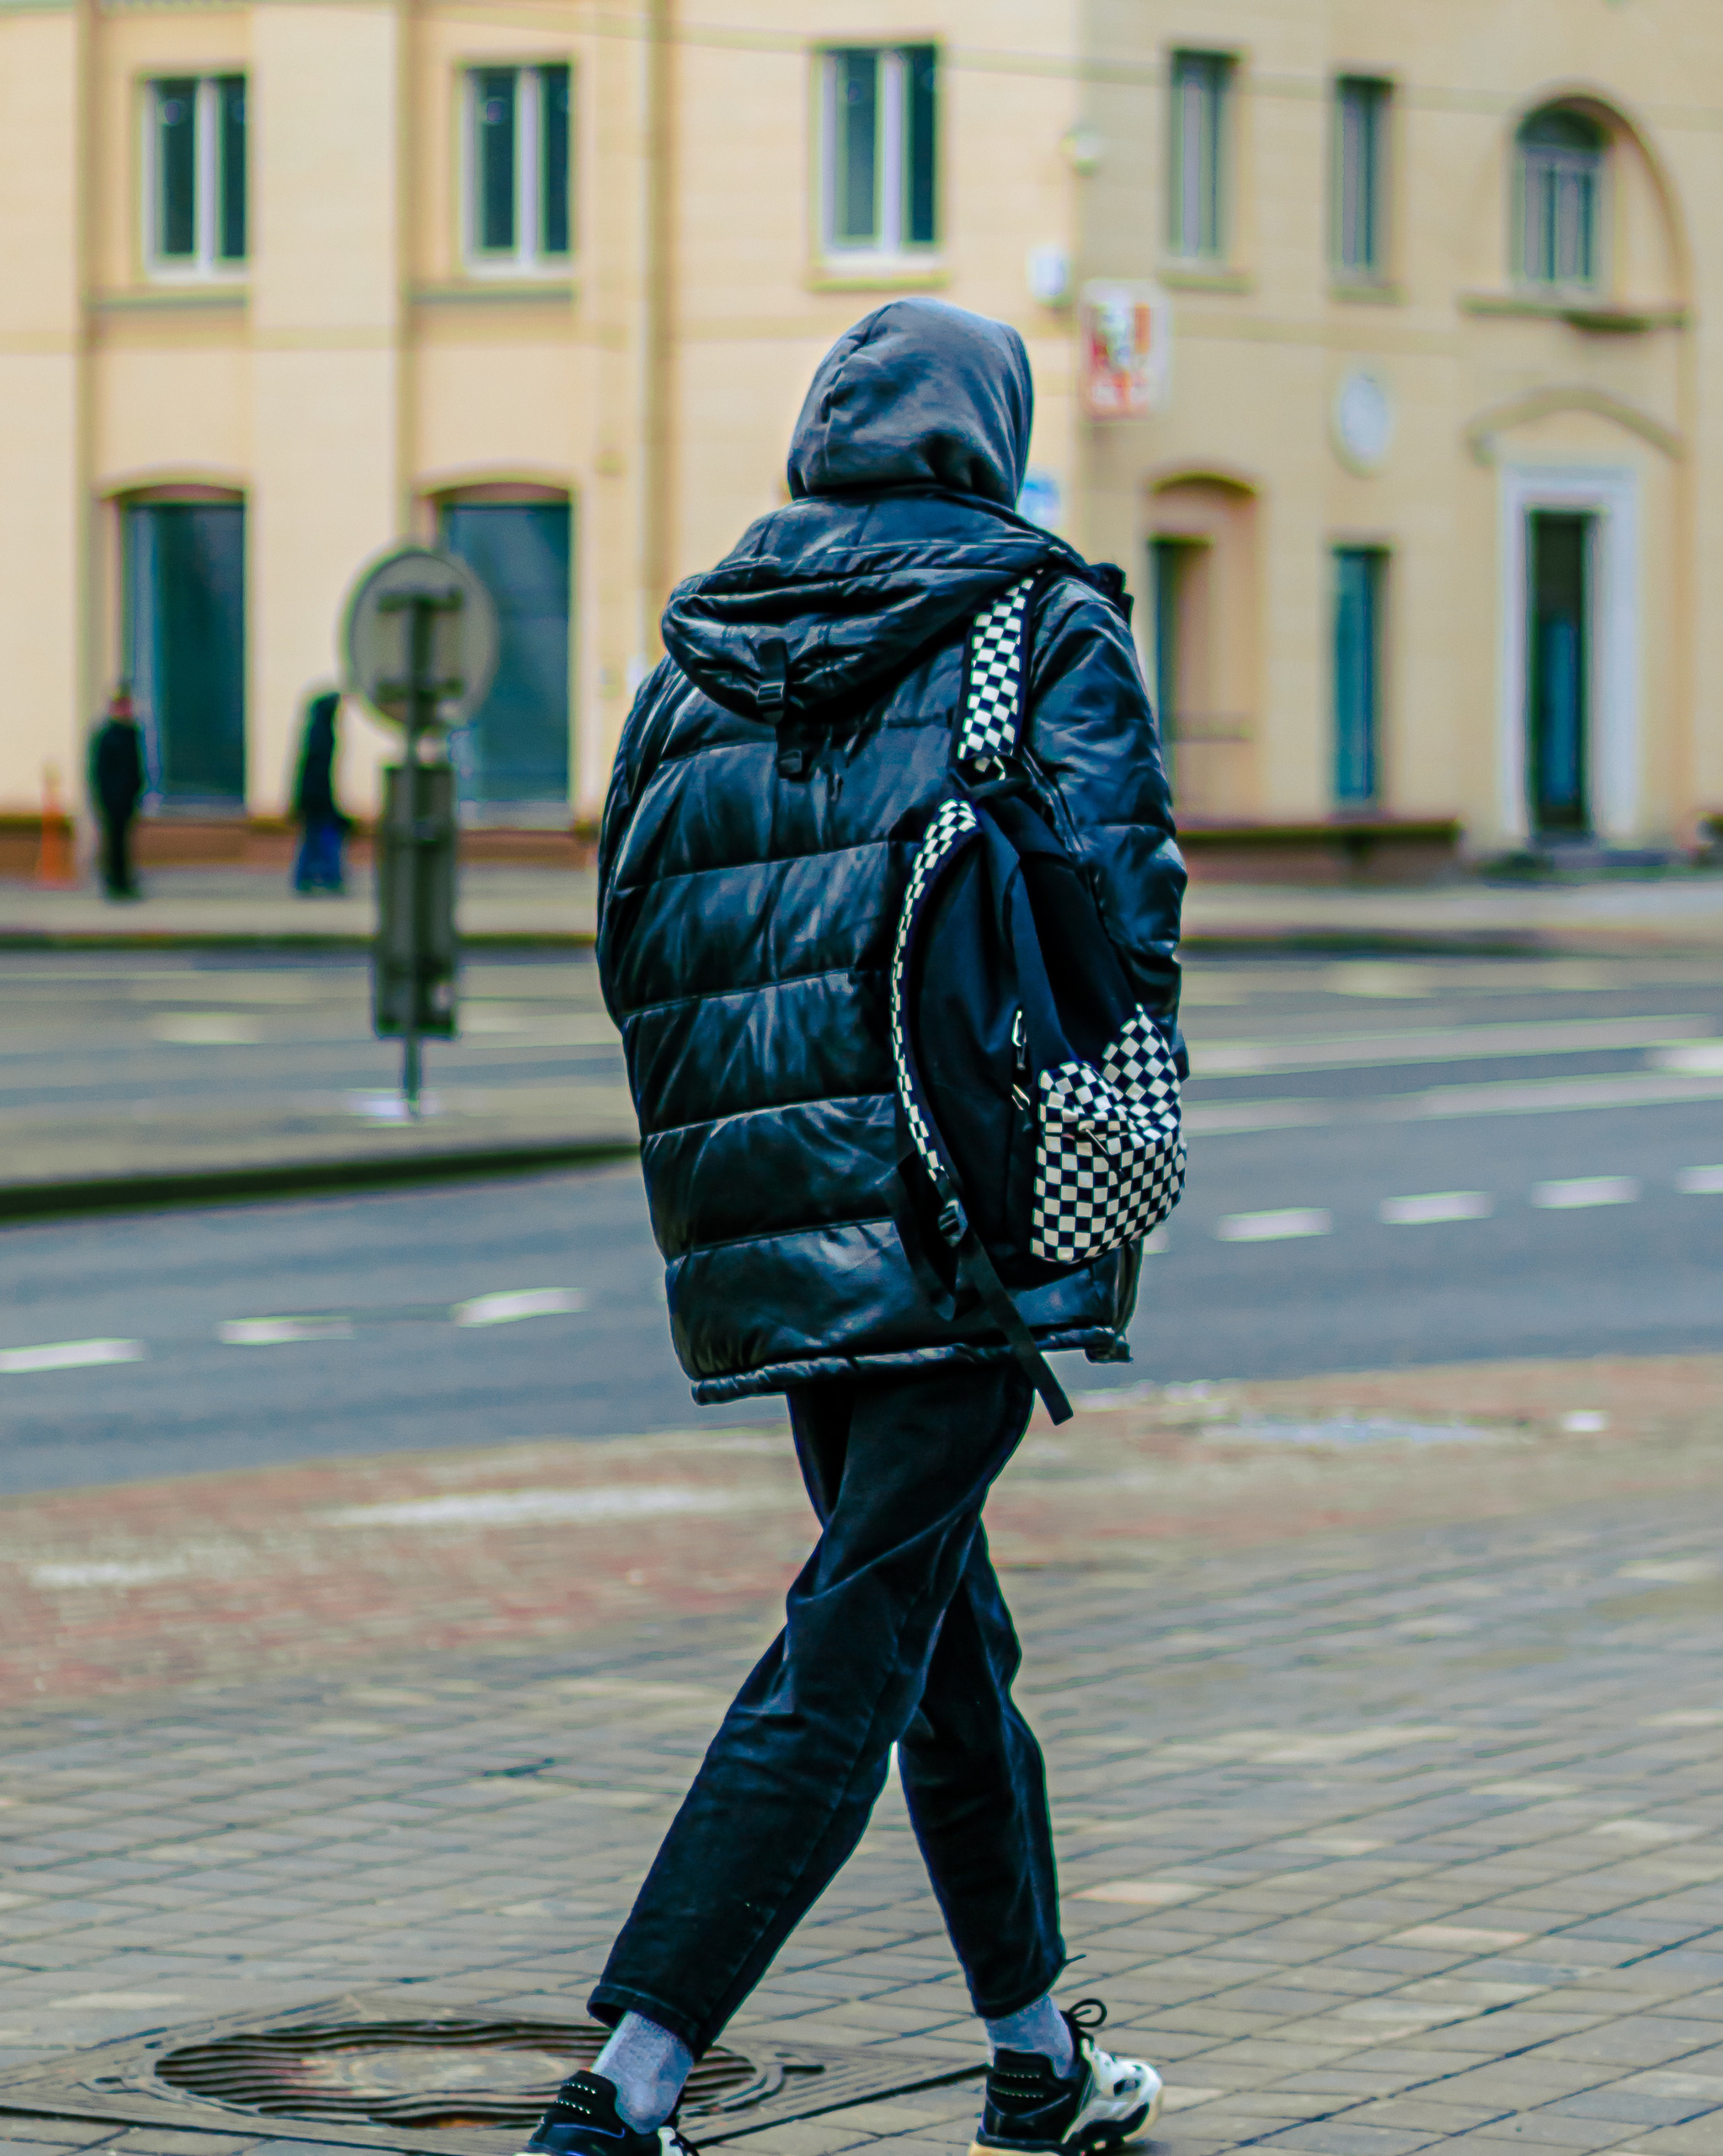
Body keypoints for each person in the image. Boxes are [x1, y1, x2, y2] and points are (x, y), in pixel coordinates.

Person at [525, 300, 1182, 2156]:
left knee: (932, 1636)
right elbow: (1124, 921)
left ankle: (1037, 2059)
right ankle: (629, 2080)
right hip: (974, 1212)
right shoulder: (1043, 620)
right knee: (855, 1643)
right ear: (988, 436)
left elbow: (634, 931)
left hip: (769, 1233)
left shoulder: (697, 650)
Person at [89, 685, 146, 900]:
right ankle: (114, 882)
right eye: (121, 707)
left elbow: (136, 766)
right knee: (113, 840)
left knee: (124, 840)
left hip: (128, 797)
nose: (125, 711)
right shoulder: (107, 735)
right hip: (111, 798)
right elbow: (99, 770)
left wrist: (137, 789)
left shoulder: (132, 733)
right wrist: (101, 796)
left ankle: (124, 880)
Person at [291, 687, 349, 894]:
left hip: (314, 799)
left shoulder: (316, 731)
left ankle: (307, 877)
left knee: (313, 840)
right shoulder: (323, 734)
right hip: (319, 799)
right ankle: (329, 878)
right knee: (326, 840)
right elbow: (318, 773)